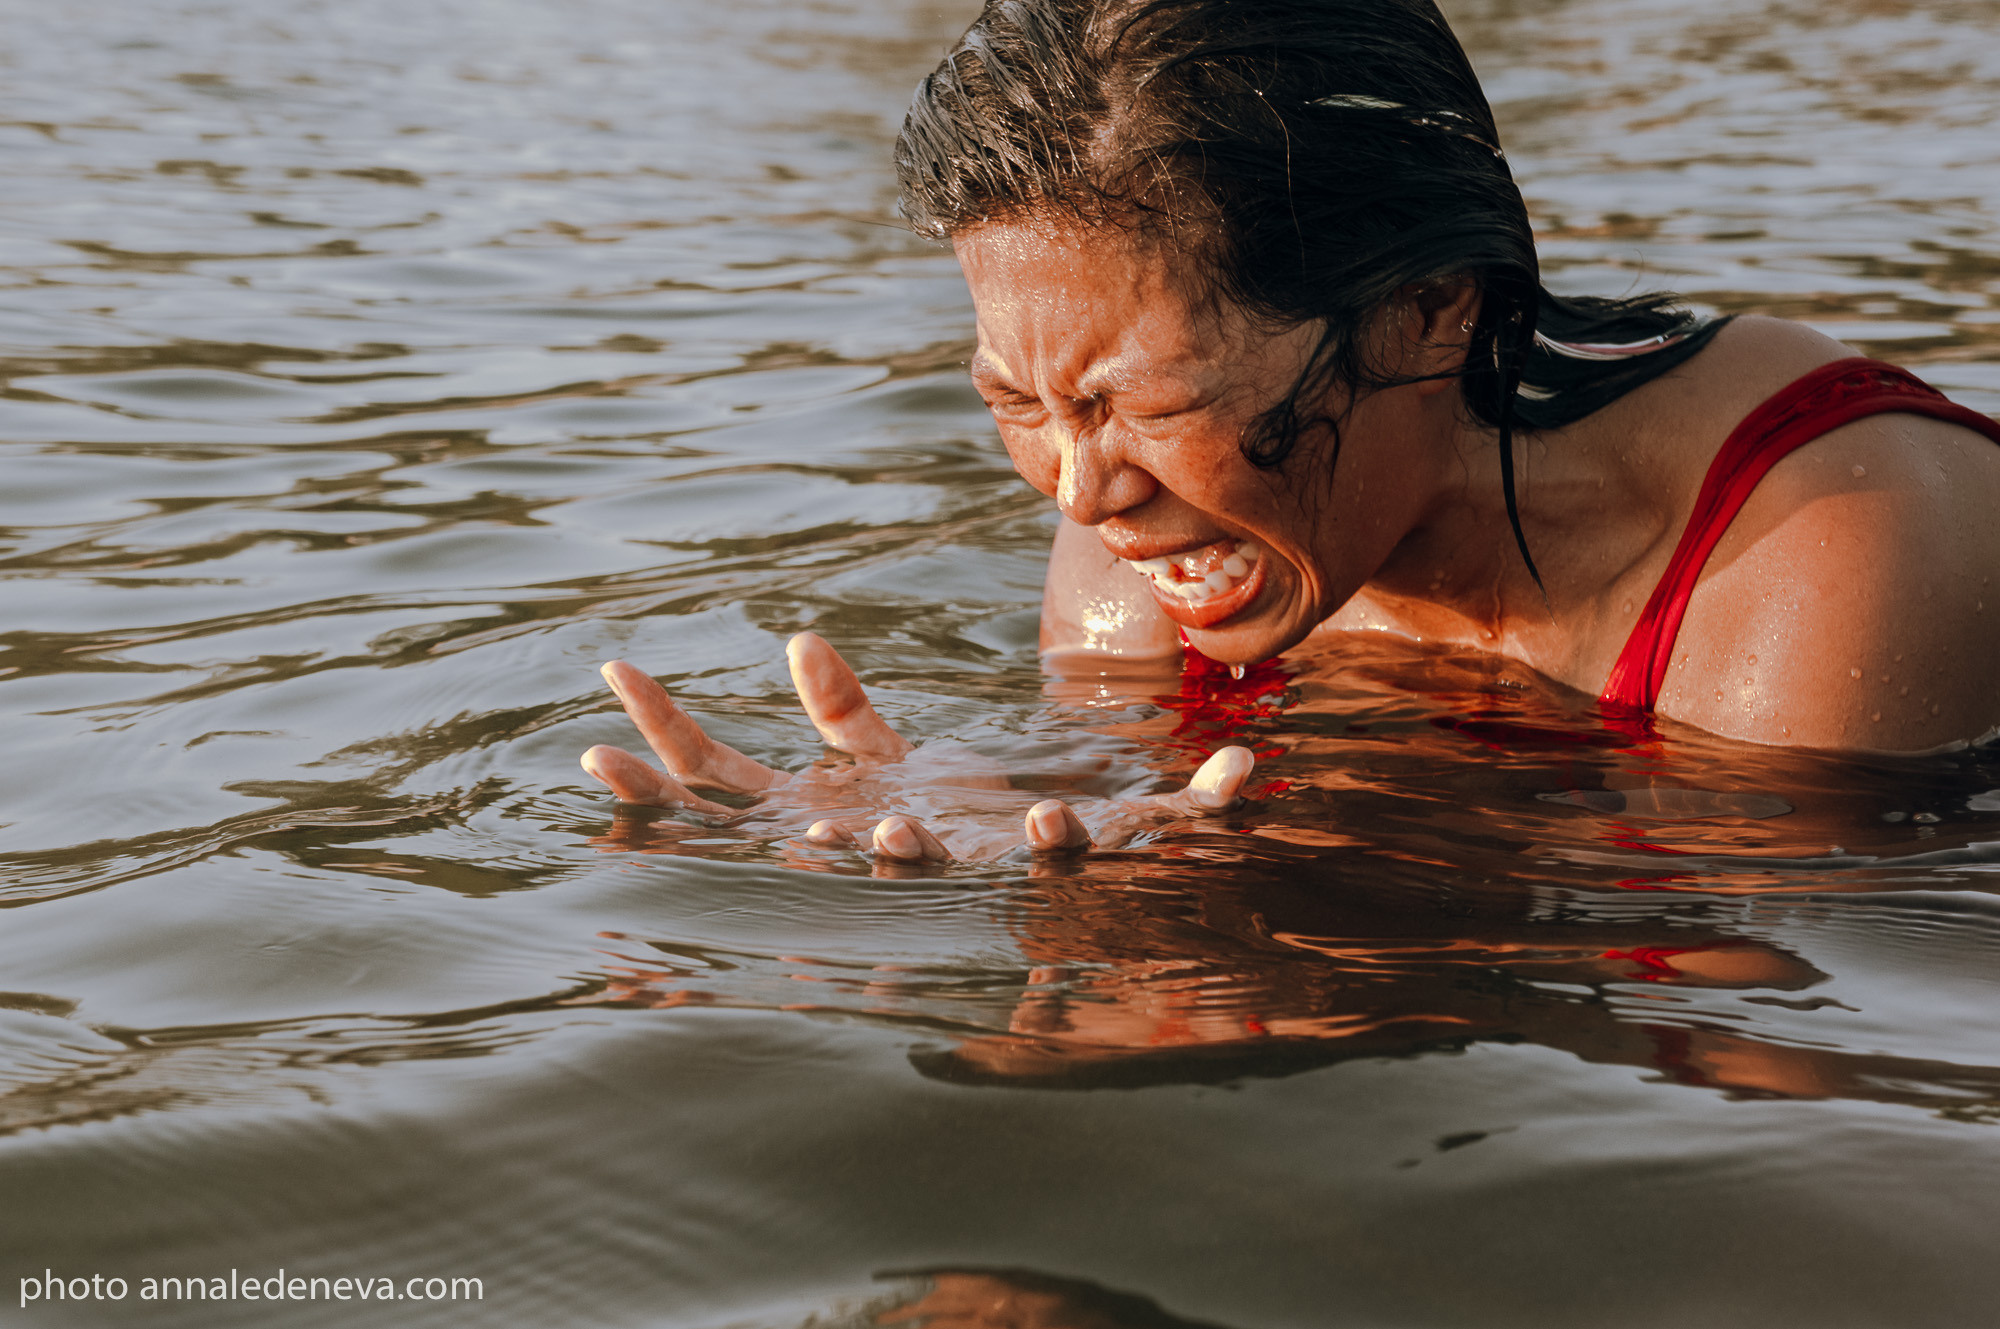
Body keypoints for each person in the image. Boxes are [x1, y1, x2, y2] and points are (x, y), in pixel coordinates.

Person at [582, 0, 2000, 860]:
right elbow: (1132, 791)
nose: (1083, 492)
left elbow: (1779, 1052)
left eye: (1156, 401)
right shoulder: (1154, 521)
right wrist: (998, 805)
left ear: (1432, 312)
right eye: (1023, 401)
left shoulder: (1824, 550)